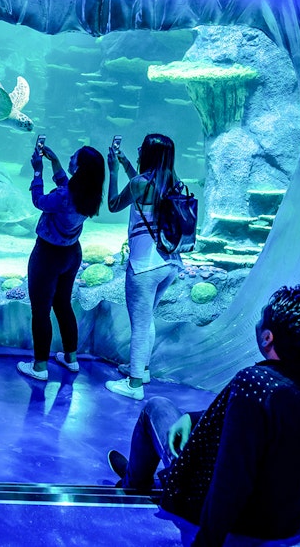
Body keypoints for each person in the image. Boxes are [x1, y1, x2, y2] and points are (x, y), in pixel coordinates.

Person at [106, 286, 300, 547]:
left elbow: (233, 475)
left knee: (157, 407)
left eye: (261, 317)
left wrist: (208, 540)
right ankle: (136, 478)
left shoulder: (255, 383)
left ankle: (133, 482)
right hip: (286, 522)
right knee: (178, 418)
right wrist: (191, 418)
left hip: (241, 523)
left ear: (267, 338)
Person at [104, 133, 184, 400]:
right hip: (170, 264)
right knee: (147, 316)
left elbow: (114, 204)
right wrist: (127, 163)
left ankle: (134, 384)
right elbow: (142, 186)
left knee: (139, 324)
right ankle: (143, 369)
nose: (138, 151)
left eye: (141, 148)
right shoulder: (174, 182)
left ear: (149, 153)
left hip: (144, 266)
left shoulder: (141, 183)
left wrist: (113, 171)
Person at [16, 144, 105, 381]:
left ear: (80, 167)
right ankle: (71, 358)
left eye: (74, 156)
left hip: (48, 255)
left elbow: (40, 201)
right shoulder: (90, 194)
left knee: (41, 310)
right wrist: (54, 162)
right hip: (71, 254)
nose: (70, 156)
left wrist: (37, 171)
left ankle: (40, 367)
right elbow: (65, 185)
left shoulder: (64, 196)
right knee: (63, 304)